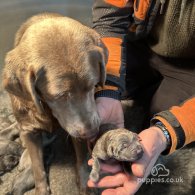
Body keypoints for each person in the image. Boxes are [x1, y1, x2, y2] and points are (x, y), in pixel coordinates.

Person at [87, 0, 195, 194]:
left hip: (189, 68)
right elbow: (108, 19)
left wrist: (165, 132)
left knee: (161, 112)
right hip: (142, 44)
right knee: (90, 70)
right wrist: (108, 91)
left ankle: (159, 94)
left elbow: (170, 128)